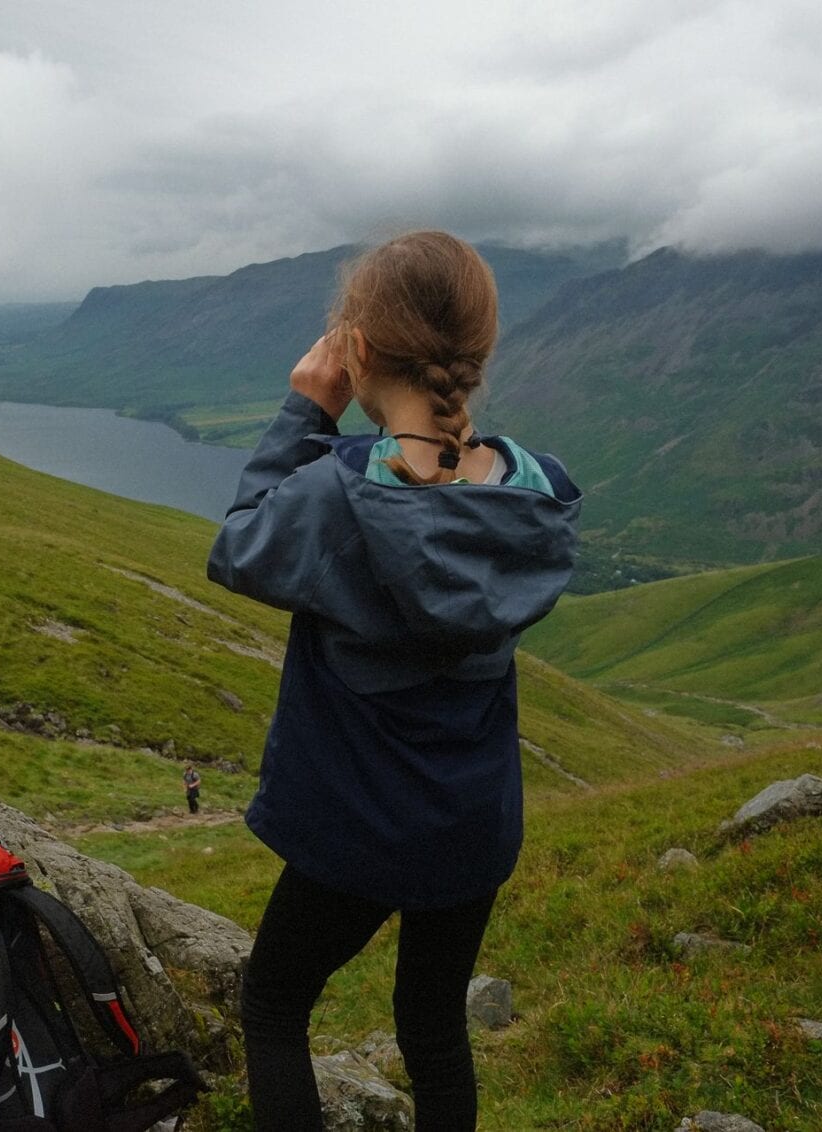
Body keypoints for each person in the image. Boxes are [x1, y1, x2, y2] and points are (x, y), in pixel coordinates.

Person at [206, 230, 581, 1130]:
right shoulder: (535, 490)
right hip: (470, 824)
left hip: (354, 829)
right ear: (478, 357)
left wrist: (306, 412)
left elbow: (240, 545)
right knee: (432, 1023)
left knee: (275, 1004)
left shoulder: (339, 494)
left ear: (358, 351)